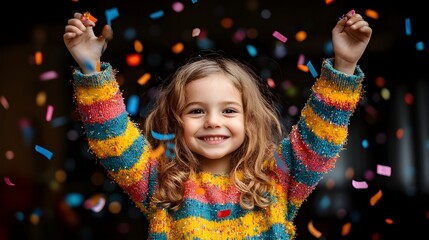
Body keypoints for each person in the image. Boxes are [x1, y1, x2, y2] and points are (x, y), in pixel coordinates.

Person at [64, 9, 372, 239]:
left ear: (249, 121)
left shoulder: (276, 176)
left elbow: (319, 135)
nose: (213, 122)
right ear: (176, 122)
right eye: (196, 111)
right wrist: (90, 68)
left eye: (228, 111)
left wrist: (344, 65)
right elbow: (111, 136)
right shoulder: (162, 184)